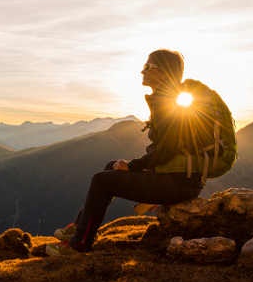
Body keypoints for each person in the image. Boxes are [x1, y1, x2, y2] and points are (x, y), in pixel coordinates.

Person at [48, 49, 206, 255]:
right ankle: (79, 230)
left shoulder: (172, 104)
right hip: (177, 178)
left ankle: (79, 244)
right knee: (110, 167)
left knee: (101, 181)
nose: (142, 71)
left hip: (178, 184)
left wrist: (132, 166)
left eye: (149, 67)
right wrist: (130, 166)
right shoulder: (169, 100)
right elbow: (166, 150)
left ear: (164, 71)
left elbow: (167, 150)